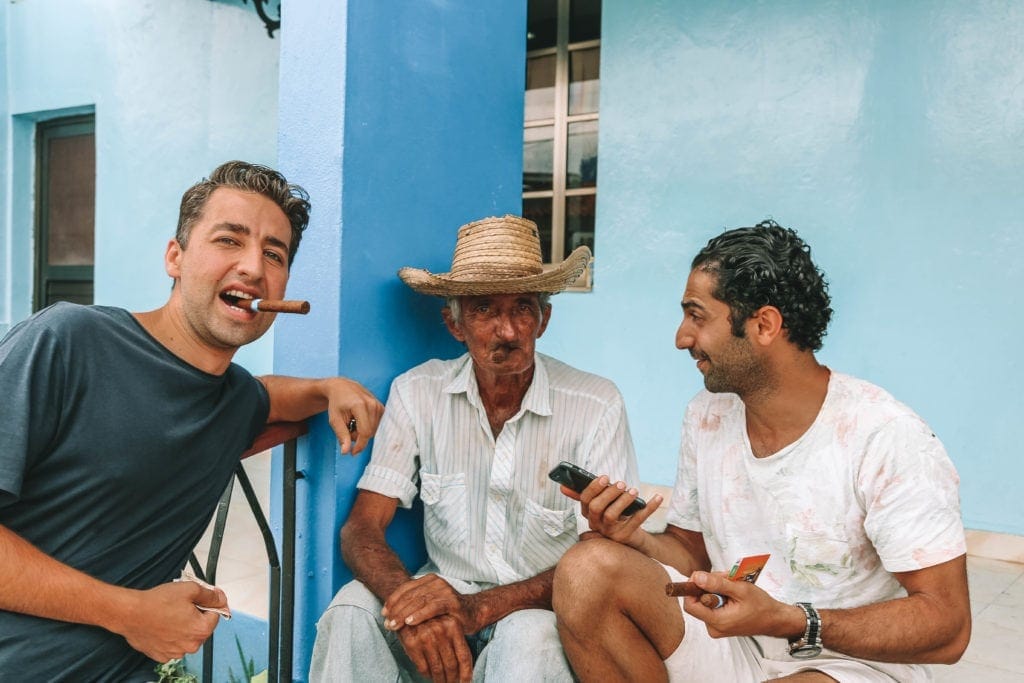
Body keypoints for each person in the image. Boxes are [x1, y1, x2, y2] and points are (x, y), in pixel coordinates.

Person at [0, 161, 384, 681]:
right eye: (230, 240)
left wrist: (325, 389)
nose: (253, 267)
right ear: (175, 257)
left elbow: (266, 398)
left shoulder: (232, 399)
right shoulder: (68, 341)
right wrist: (130, 614)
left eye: (274, 253)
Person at [552, 220, 970, 682]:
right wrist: (637, 539)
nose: (681, 337)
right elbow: (693, 554)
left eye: (697, 315)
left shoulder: (885, 436)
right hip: (736, 643)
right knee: (586, 570)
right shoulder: (707, 414)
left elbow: (948, 627)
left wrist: (791, 619)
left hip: (845, 663)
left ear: (764, 325)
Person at [309, 215, 641, 683]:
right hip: (442, 595)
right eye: (484, 309)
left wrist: (478, 608)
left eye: (523, 308)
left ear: (543, 320)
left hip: (536, 607)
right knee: (352, 611)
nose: (508, 331)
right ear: (454, 324)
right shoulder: (417, 391)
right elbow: (361, 527)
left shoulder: (595, 403)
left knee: (529, 641)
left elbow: (604, 557)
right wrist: (411, 602)